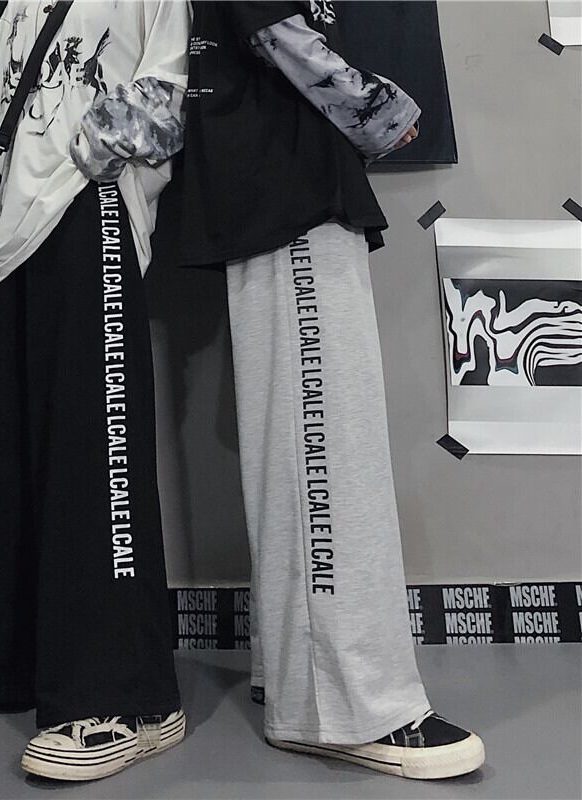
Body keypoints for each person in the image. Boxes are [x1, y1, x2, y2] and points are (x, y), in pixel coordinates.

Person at [152, 0, 486, 780]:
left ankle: (303, 681)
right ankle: (347, 707)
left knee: (313, 447)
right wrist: (379, 109)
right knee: (327, 449)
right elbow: (277, 32)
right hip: (286, 195)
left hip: (290, 193)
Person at [0, 0, 191, 782]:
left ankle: (128, 697)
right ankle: (0, 661)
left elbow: (164, 102)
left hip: (89, 210)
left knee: (94, 452)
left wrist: (84, 155)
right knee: (7, 449)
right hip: (10, 234)